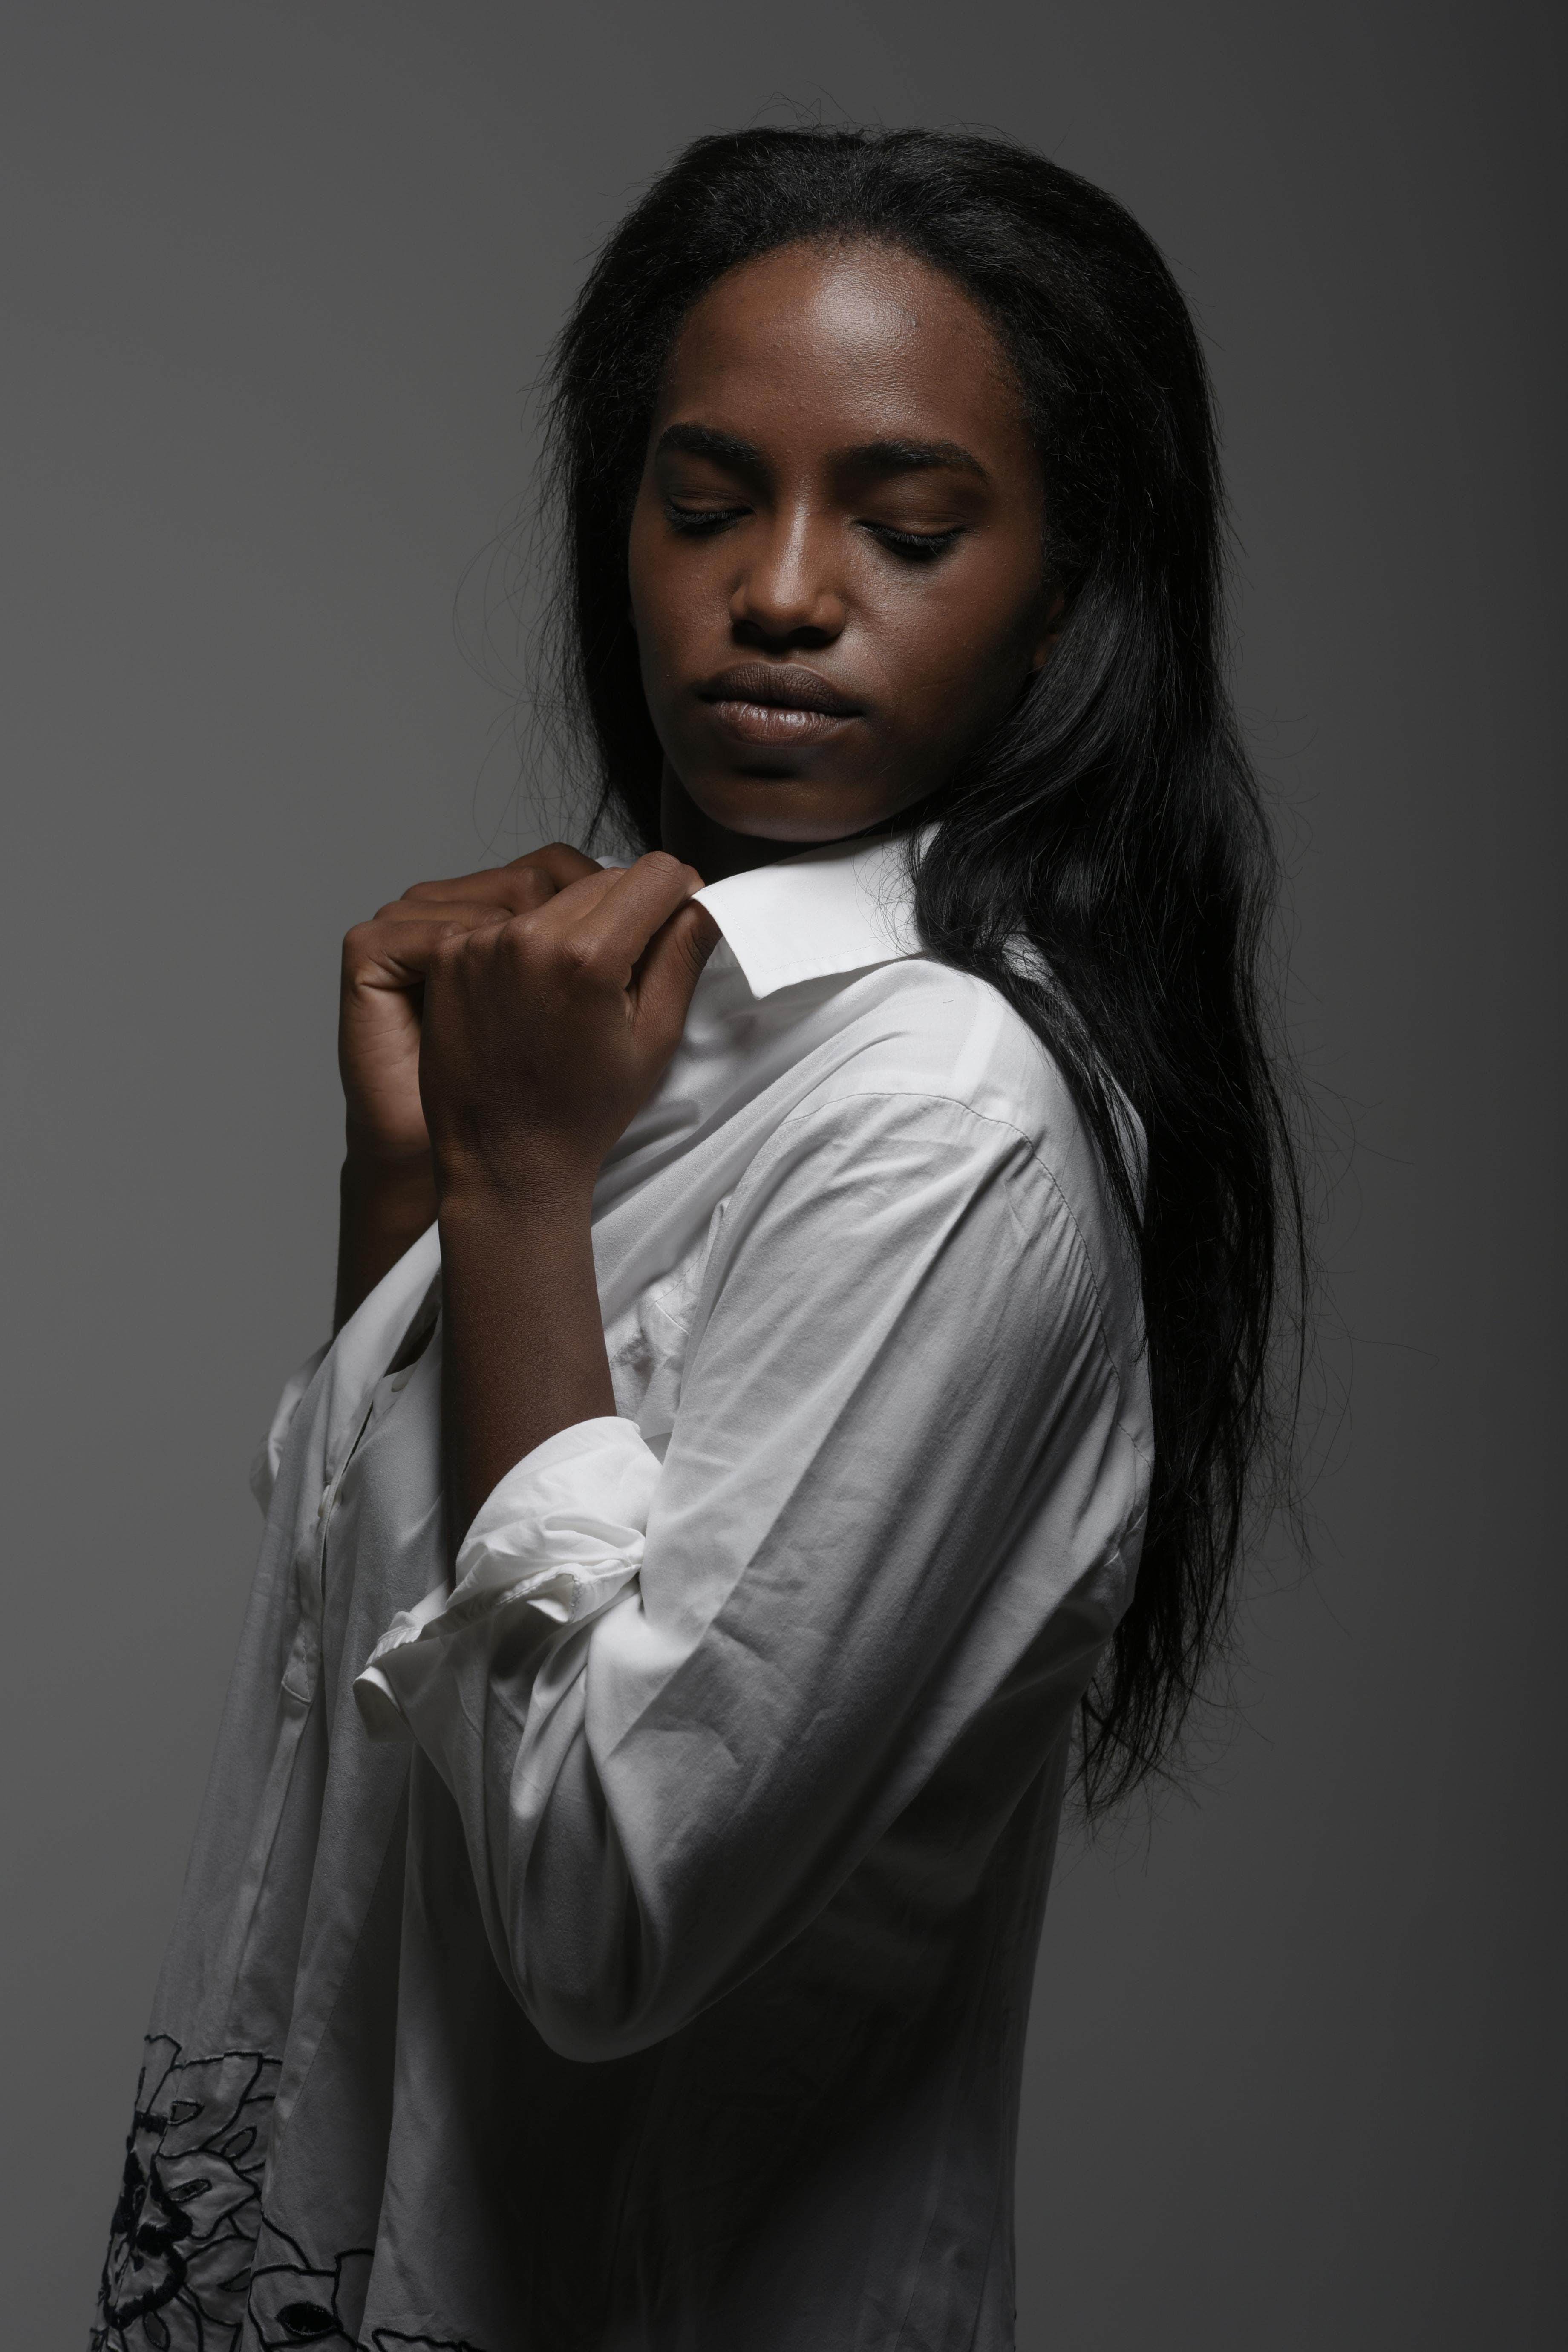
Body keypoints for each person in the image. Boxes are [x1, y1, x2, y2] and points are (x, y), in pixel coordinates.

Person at [92, 125, 1301, 2352]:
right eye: (707, 496)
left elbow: (596, 1906)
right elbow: (367, 1735)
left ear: (1062, 594)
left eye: (909, 522)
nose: (782, 590)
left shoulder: (944, 1112)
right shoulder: (642, 1032)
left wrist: (524, 1197)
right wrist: (416, 1196)